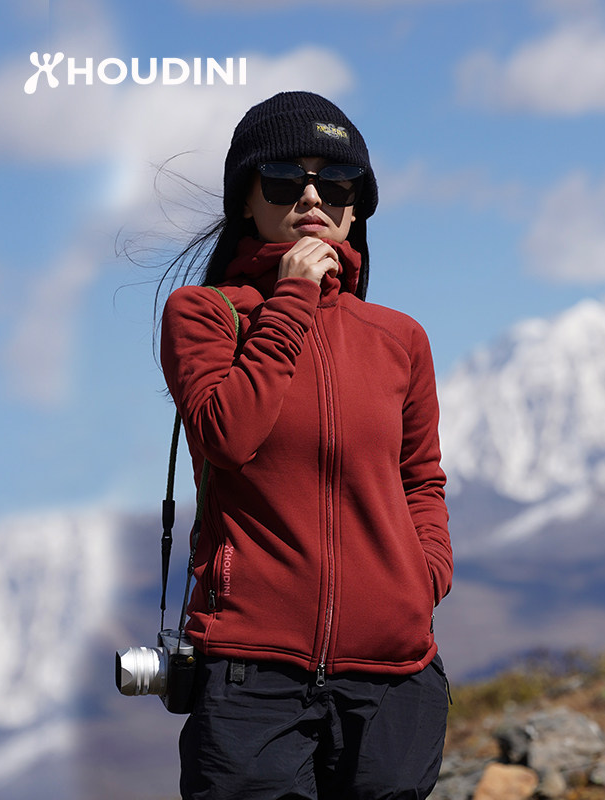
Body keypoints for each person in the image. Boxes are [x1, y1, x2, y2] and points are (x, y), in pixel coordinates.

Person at [159, 90, 453, 800]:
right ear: (246, 199)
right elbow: (228, 435)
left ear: (357, 206)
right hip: (249, 674)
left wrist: (423, 580)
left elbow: (421, 480)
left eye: (337, 181)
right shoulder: (203, 315)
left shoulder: (400, 338)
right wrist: (291, 300)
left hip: (394, 679)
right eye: (285, 180)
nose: (313, 196)